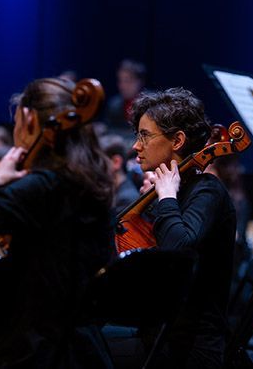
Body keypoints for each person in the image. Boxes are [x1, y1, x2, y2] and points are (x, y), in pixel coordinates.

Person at [0, 77, 115, 368]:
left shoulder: (43, 186)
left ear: (29, 119)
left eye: (16, 122)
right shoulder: (93, 181)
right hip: (79, 346)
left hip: (32, 348)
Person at [126, 87, 236, 368]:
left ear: (177, 140)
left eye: (144, 135)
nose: (136, 146)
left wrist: (166, 199)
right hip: (161, 333)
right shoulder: (178, 192)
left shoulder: (207, 191)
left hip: (190, 348)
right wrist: (155, 204)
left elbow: (177, 247)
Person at [104, 59, 147, 139]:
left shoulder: (152, 104)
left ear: (140, 81)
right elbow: (109, 129)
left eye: (128, 81)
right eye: (120, 81)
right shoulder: (114, 104)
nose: (122, 86)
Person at [99, 133, 140, 216]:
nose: (94, 167)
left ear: (116, 162)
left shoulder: (126, 199)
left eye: (99, 161)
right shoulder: (118, 192)